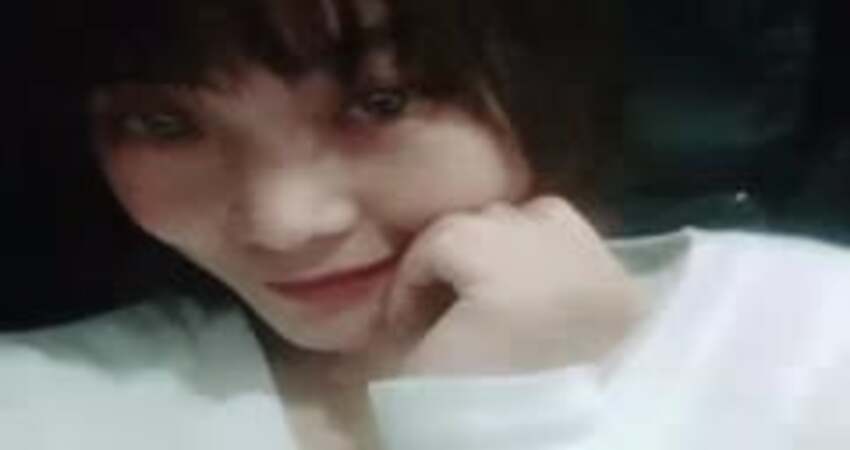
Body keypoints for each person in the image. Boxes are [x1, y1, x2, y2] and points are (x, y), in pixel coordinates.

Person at [3, 1, 850, 449]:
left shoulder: (812, 328)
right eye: (162, 124)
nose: (284, 224)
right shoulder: (35, 399)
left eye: (382, 101)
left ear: (544, 72)